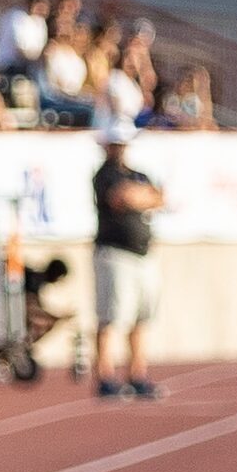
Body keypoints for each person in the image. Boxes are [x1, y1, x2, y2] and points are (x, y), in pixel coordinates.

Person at [91, 122, 165, 400]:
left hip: (142, 255)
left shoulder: (137, 174)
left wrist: (142, 197)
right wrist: (141, 197)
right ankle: (106, 375)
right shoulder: (104, 175)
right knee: (112, 316)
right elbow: (121, 197)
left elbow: (159, 196)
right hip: (115, 253)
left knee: (140, 317)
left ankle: (137, 373)